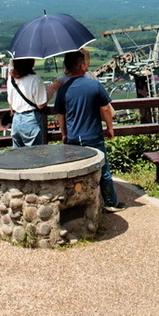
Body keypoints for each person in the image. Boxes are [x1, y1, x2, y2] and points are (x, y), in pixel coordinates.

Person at [53, 49, 126, 212]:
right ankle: (110, 202)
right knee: (104, 170)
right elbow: (106, 108)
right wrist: (110, 127)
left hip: (73, 138)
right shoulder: (93, 85)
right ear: (81, 67)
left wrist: (64, 134)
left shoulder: (63, 90)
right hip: (93, 135)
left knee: (75, 172)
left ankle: (77, 203)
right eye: (84, 62)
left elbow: (60, 115)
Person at [6, 58, 48, 147]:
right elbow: (40, 105)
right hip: (31, 119)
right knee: (35, 155)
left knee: (18, 156)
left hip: (16, 120)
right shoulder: (35, 79)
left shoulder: (11, 79)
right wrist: (53, 89)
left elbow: (10, 103)